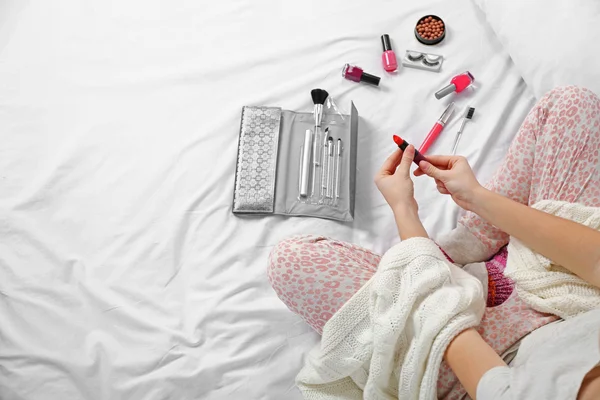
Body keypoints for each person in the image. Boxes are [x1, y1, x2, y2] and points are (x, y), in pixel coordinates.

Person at [267, 86, 600, 399]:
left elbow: (443, 322)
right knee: (572, 104)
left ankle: (436, 263)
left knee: (291, 262)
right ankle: (471, 241)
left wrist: (405, 211)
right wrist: (476, 198)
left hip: (477, 364)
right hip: (574, 291)